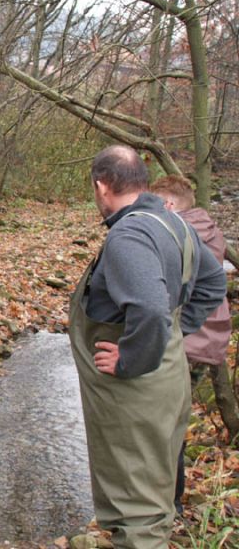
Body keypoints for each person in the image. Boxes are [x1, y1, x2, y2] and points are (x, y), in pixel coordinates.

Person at [69, 145, 226, 548]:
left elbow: (152, 309)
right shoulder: (173, 222)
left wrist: (130, 358)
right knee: (154, 490)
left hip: (135, 393)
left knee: (137, 511)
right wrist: (176, 333)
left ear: (102, 186)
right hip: (167, 380)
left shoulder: (129, 235)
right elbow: (213, 283)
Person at [150, 174, 231, 514]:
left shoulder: (180, 233)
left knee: (164, 424)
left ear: (169, 205)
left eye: (154, 204)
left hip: (187, 342)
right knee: (173, 422)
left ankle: (167, 503)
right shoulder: (208, 229)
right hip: (205, 340)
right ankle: (169, 501)